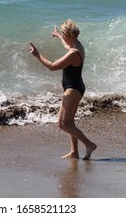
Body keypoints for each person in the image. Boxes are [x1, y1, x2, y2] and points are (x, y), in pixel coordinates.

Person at [29, 19, 97, 160]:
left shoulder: (73, 53)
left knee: (62, 124)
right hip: (77, 87)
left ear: (69, 34)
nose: (63, 37)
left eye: (63, 34)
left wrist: (37, 55)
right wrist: (58, 36)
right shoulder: (78, 46)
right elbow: (68, 46)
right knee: (70, 122)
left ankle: (89, 144)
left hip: (72, 89)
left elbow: (53, 66)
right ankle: (74, 152)